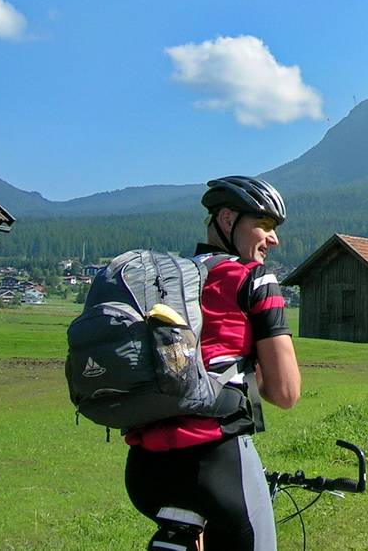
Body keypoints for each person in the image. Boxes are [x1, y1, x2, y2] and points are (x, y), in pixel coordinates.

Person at [125, 176, 301, 551]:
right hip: (215, 462)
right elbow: (286, 392)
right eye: (266, 226)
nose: (274, 239)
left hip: (145, 469)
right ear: (226, 219)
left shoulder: (164, 283)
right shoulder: (253, 279)